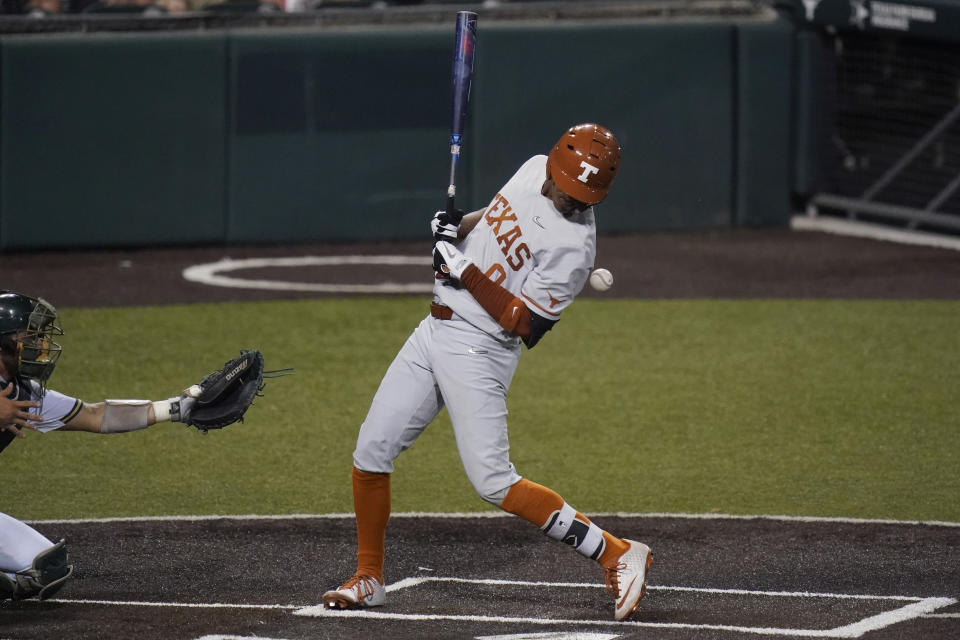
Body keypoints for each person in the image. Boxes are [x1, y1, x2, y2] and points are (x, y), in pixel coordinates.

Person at [322, 123, 653, 622]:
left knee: (493, 481)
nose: (571, 201)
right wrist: (456, 228)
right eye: (567, 189)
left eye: (582, 196)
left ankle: (616, 552)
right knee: (372, 450)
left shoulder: (574, 248)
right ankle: (368, 577)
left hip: (479, 351)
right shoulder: (531, 168)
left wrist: (462, 270)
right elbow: (494, 216)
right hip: (432, 330)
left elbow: (526, 324)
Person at [0, 290, 204, 602]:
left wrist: (174, 409)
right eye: (31, 336)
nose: (40, 344)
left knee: (45, 567)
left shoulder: (25, 393)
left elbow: (95, 415)